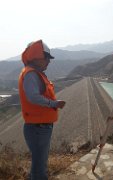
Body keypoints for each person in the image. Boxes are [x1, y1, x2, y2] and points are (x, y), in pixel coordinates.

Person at [18, 40, 66, 180]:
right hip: (37, 128)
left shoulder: (35, 73)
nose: (48, 62)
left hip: (39, 127)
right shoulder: (31, 74)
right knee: (39, 168)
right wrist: (54, 104)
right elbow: (33, 97)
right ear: (37, 57)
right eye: (47, 58)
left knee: (39, 164)